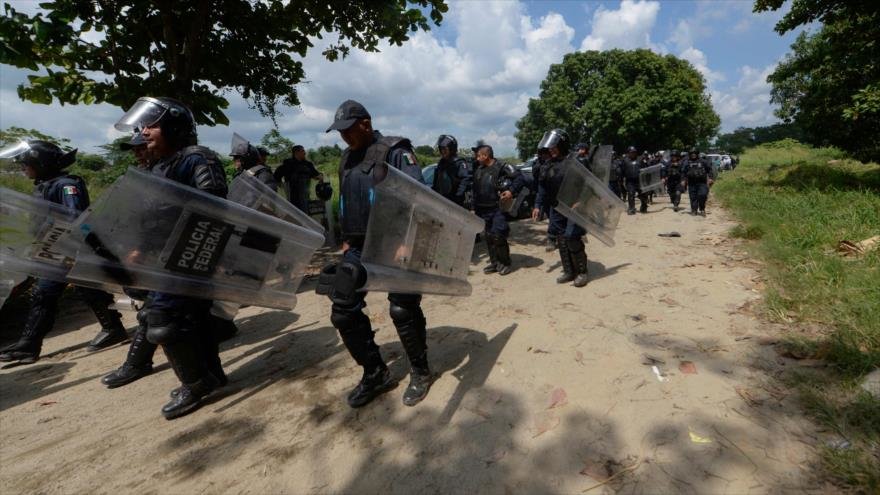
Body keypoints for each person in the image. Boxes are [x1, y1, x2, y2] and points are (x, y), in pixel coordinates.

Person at [109, 96, 228, 419]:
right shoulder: (160, 166)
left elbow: (215, 209)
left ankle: (196, 383)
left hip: (189, 256)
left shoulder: (197, 159)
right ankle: (212, 375)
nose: (144, 132)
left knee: (160, 320)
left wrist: (209, 254)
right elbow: (155, 216)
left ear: (175, 127)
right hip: (164, 259)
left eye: (152, 125)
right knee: (194, 320)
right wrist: (141, 248)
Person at [323, 99, 433, 408]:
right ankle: (375, 373)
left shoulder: (396, 151)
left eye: (349, 130)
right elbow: (346, 200)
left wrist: (408, 240)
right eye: (340, 132)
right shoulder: (346, 158)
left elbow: (418, 198)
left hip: (395, 244)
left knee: (402, 309)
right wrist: (346, 239)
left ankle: (421, 371)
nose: (344, 136)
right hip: (358, 246)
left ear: (366, 124)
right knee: (342, 310)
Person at [0, 141, 128, 364]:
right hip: (54, 249)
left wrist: (65, 246)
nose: (23, 168)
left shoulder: (67, 185)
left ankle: (29, 345)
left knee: (46, 293)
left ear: (41, 163)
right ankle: (113, 328)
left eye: (26, 164)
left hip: (68, 249)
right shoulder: (44, 185)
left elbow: (75, 217)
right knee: (86, 289)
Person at [531, 129, 590, 287]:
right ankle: (569, 271)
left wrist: (582, 201)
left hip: (574, 207)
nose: (550, 149)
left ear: (562, 144)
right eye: (549, 147)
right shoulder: (547, 164)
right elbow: (542, 187)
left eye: (554, 146)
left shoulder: (577, 161)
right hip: (557, 207)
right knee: (561, 239)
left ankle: (582, 272)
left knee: (572, 238)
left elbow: (589, 184)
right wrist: (537, 205)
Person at [472, 143, 524, 276]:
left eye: (479, 155)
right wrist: (474, 209)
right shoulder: (479, 169)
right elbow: (476, 190)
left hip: (497, 208)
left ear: (485, 155)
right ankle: (495, 263)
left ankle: (505, 263)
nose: (477, 158)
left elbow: (519, 178)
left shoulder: (502, 166)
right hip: (483, 209)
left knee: (498, 235)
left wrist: (511, 191)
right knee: (489, 237)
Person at [273, 145, 322, 212]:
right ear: (296, 153)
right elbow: (276, 176)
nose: (305, 153)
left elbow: (316, 175)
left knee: (305, 211)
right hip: (292, 197)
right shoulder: (288, 164)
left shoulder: (308, 164)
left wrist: (319, 177)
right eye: (302, 151)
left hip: (305, 195)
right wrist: (282, 186)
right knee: (295, 213)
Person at [432, 135, 472, 207]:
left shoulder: (459, 163)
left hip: (454, 202)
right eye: (441, 149)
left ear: (452, 149)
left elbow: (465, 180)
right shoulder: (441, 163)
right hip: (441, 199)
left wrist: (458, 196)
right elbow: (437, 181)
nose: (442, 151)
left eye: (445, 149)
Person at [681, 148, 715, 216]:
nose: (693, 155)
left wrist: (711, 178)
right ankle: (694, 210)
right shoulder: (687, 162)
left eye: (694, 153)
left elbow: (709, 170)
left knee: (702, 195)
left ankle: (702, 208)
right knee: (693, 197)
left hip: (702, 182)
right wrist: (683, 180)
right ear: (690, 154)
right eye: (692, 153)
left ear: (697, 154)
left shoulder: (703, 161)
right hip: (691, 183)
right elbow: (683, 172)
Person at [621, 146, 647, 215]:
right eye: (631, 152)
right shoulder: (625, 161)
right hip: (630, 181)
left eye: (634, 152)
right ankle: (631, 208)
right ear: (628, 153)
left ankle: (644, 206)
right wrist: (621, 179)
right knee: (631, 194)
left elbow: (645, 170)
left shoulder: (640, 160)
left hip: (640, 181)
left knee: (643, 194)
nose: (633, 154)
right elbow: (622, 171)